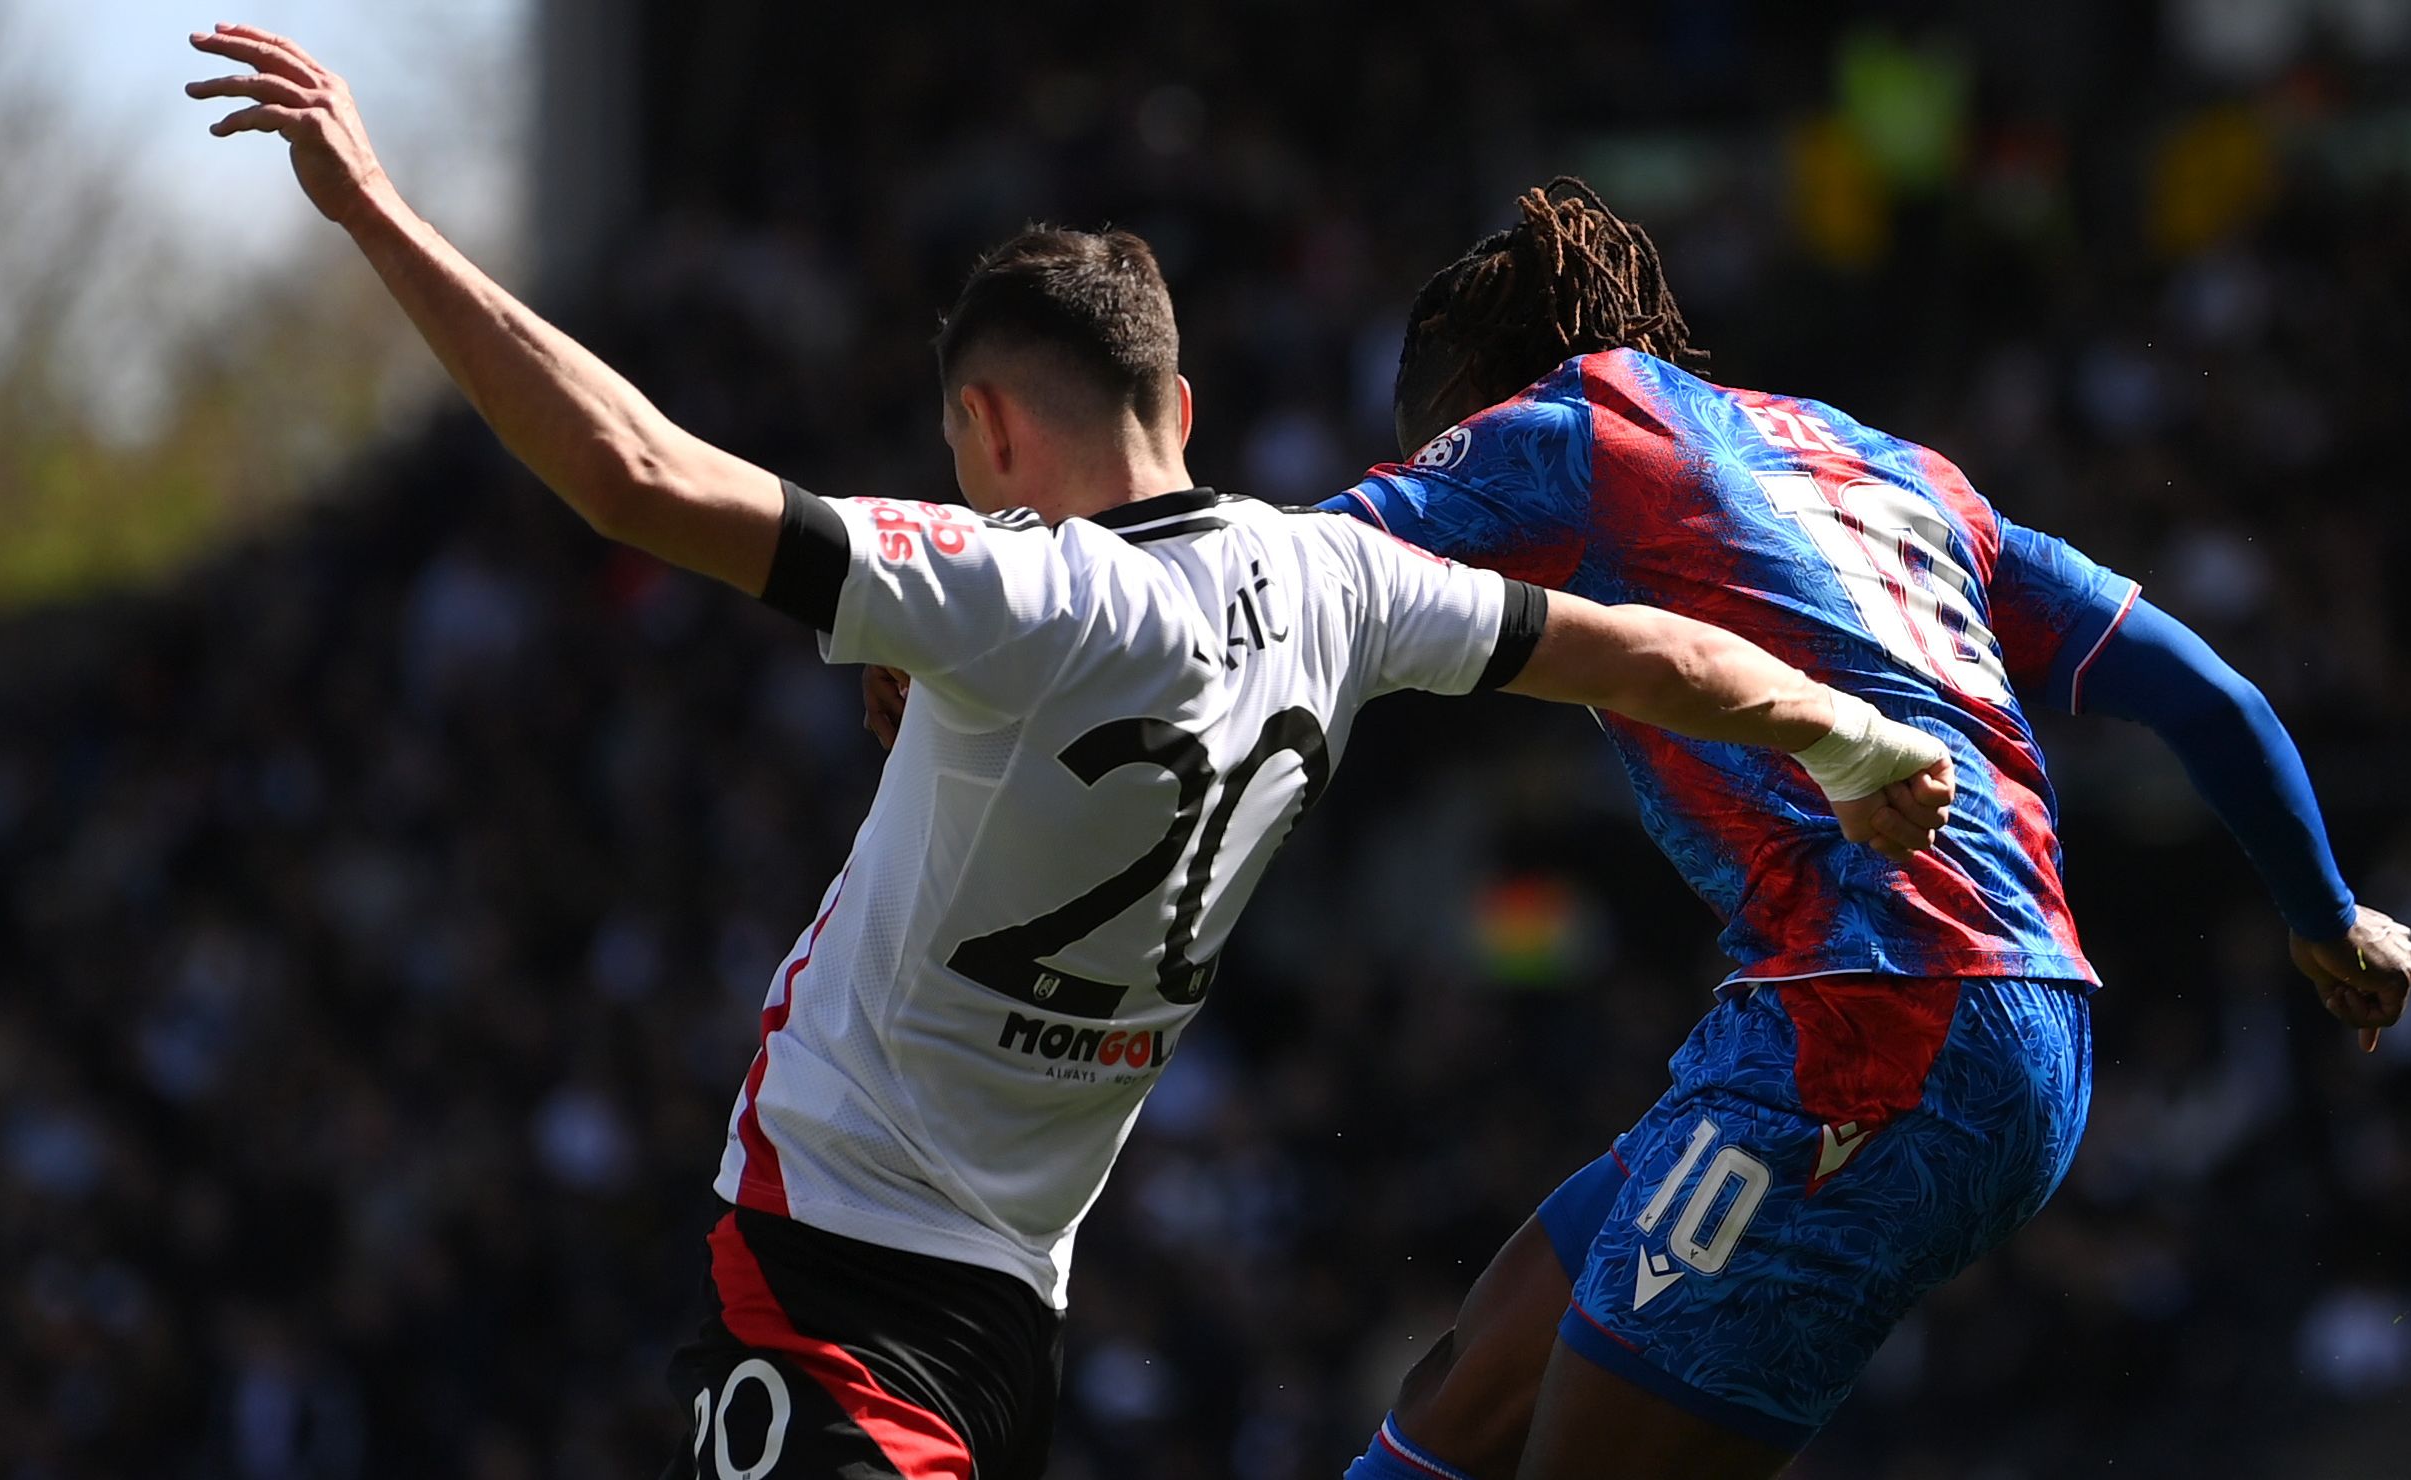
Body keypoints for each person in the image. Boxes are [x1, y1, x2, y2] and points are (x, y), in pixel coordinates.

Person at [185, 32, 1960, 1479]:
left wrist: (374, 210)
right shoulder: (1343, 580)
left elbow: (635, 476)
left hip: (836, 1273)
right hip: (1000, 1305)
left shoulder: (1018, 591)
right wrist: (1854, 738)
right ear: (1178, 408)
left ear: (980, 426)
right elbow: (1640, 653)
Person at [1309, 181, 2411, 1480]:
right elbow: (2205, 697)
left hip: (1875, 1023)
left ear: (1485, 394)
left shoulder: (1560, 429)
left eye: (1431, 439)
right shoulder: (1891, 468)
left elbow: (1269, 580)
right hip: (1961, 1018)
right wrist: (2323, 914)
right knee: (1473, 1386)